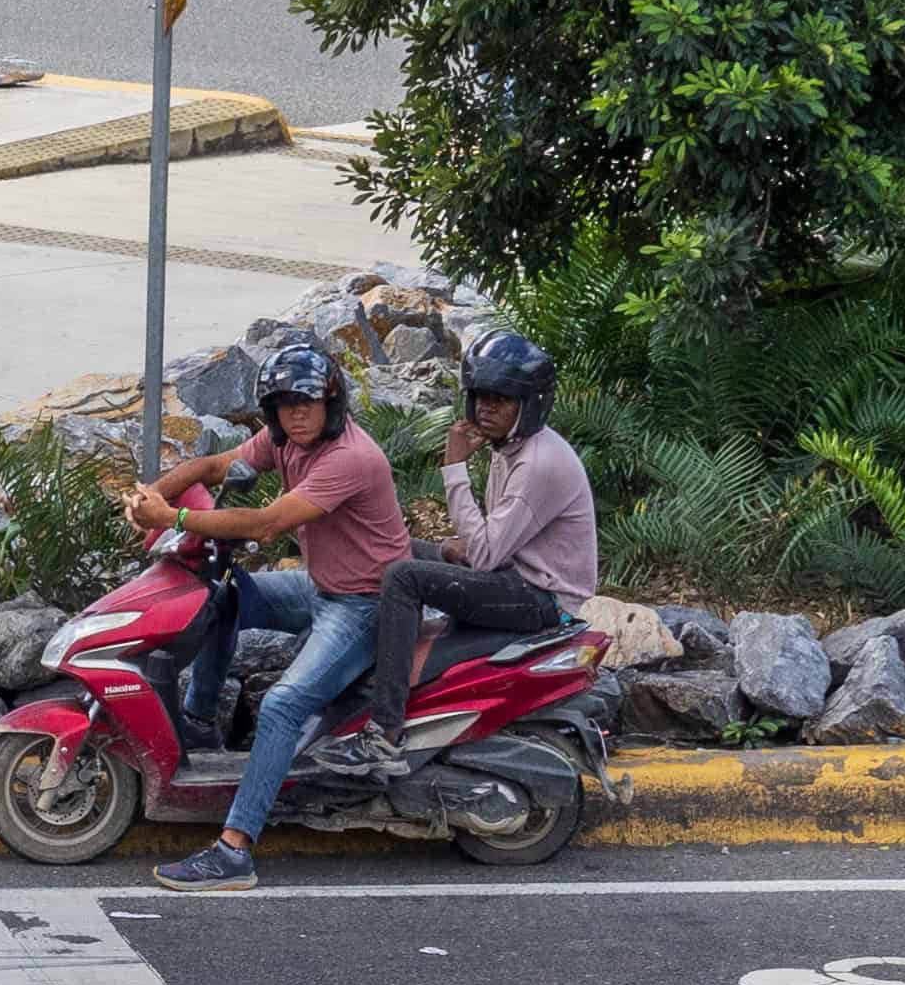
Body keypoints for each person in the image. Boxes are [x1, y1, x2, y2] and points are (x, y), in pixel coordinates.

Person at [121, 343, 414, 891]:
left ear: (331, 399)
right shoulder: (284, 441)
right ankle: (200, 722)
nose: (296, 412)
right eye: (283, 403)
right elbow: (213, 465)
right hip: (324, 587)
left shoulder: (351, 457)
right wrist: (151, 496)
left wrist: (175, 516)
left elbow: (263, 524)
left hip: (366, 607)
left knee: (282, 704)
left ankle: (235, 851)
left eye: (306, 400)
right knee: (225, 593)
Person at [319, 332, 600, 781]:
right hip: (515, 574)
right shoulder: (512, 448)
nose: (486, 408)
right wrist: (450, 548)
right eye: (480, 397)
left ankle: (384, 734)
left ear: (529, 404)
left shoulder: (538, 462)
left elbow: (487, 555)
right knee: (398, 549)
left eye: (500, 399)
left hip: (540, 598)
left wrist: (454, 469)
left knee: (404, 578)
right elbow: (490, 540)